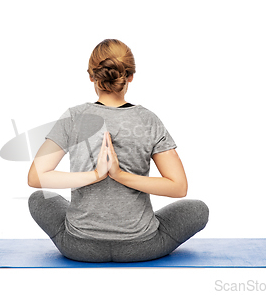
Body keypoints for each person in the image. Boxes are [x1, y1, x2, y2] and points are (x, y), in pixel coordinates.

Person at [27, 39, 209, 263]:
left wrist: (95, 175)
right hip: (142, 247)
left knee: (39, 198)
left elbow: (36, 177)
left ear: (92, 76)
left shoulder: (74, 117)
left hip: (80, 247)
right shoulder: (148, 120)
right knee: (198, 210)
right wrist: (121, 176)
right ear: (130, 76)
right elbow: (179, 187)